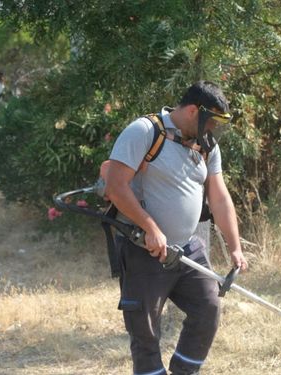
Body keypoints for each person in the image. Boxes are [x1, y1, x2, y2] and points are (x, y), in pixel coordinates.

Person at [105, 80, 248, 375]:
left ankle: (184, 371)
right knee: (145, 331)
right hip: (143, 248)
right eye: (212, 122)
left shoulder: (206, 147)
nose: (213, 131)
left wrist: (235, 247)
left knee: (208, 308)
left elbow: (219, 198)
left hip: (187, 248)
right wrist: (150, 227)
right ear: (194, 111)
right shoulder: (145, 132)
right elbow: (115, 186)